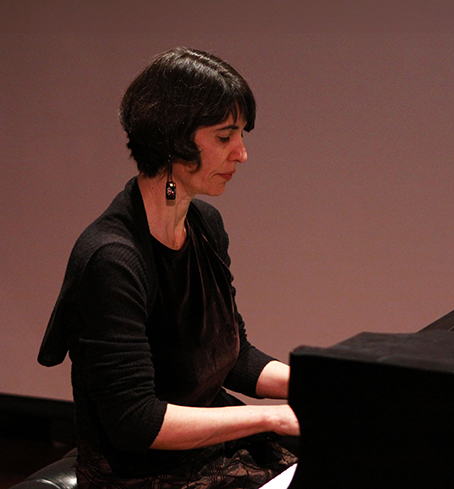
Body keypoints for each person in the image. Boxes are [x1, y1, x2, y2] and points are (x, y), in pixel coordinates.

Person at [38, 47, 300, 488]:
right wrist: (269, 417)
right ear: (173, 141)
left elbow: (230, 355)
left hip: (207, 448)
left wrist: (330, 383)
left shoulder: (205, 226)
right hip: (143, 473)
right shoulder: (112, 260)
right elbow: (135, 420)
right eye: (224, 137)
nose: (241, 153)